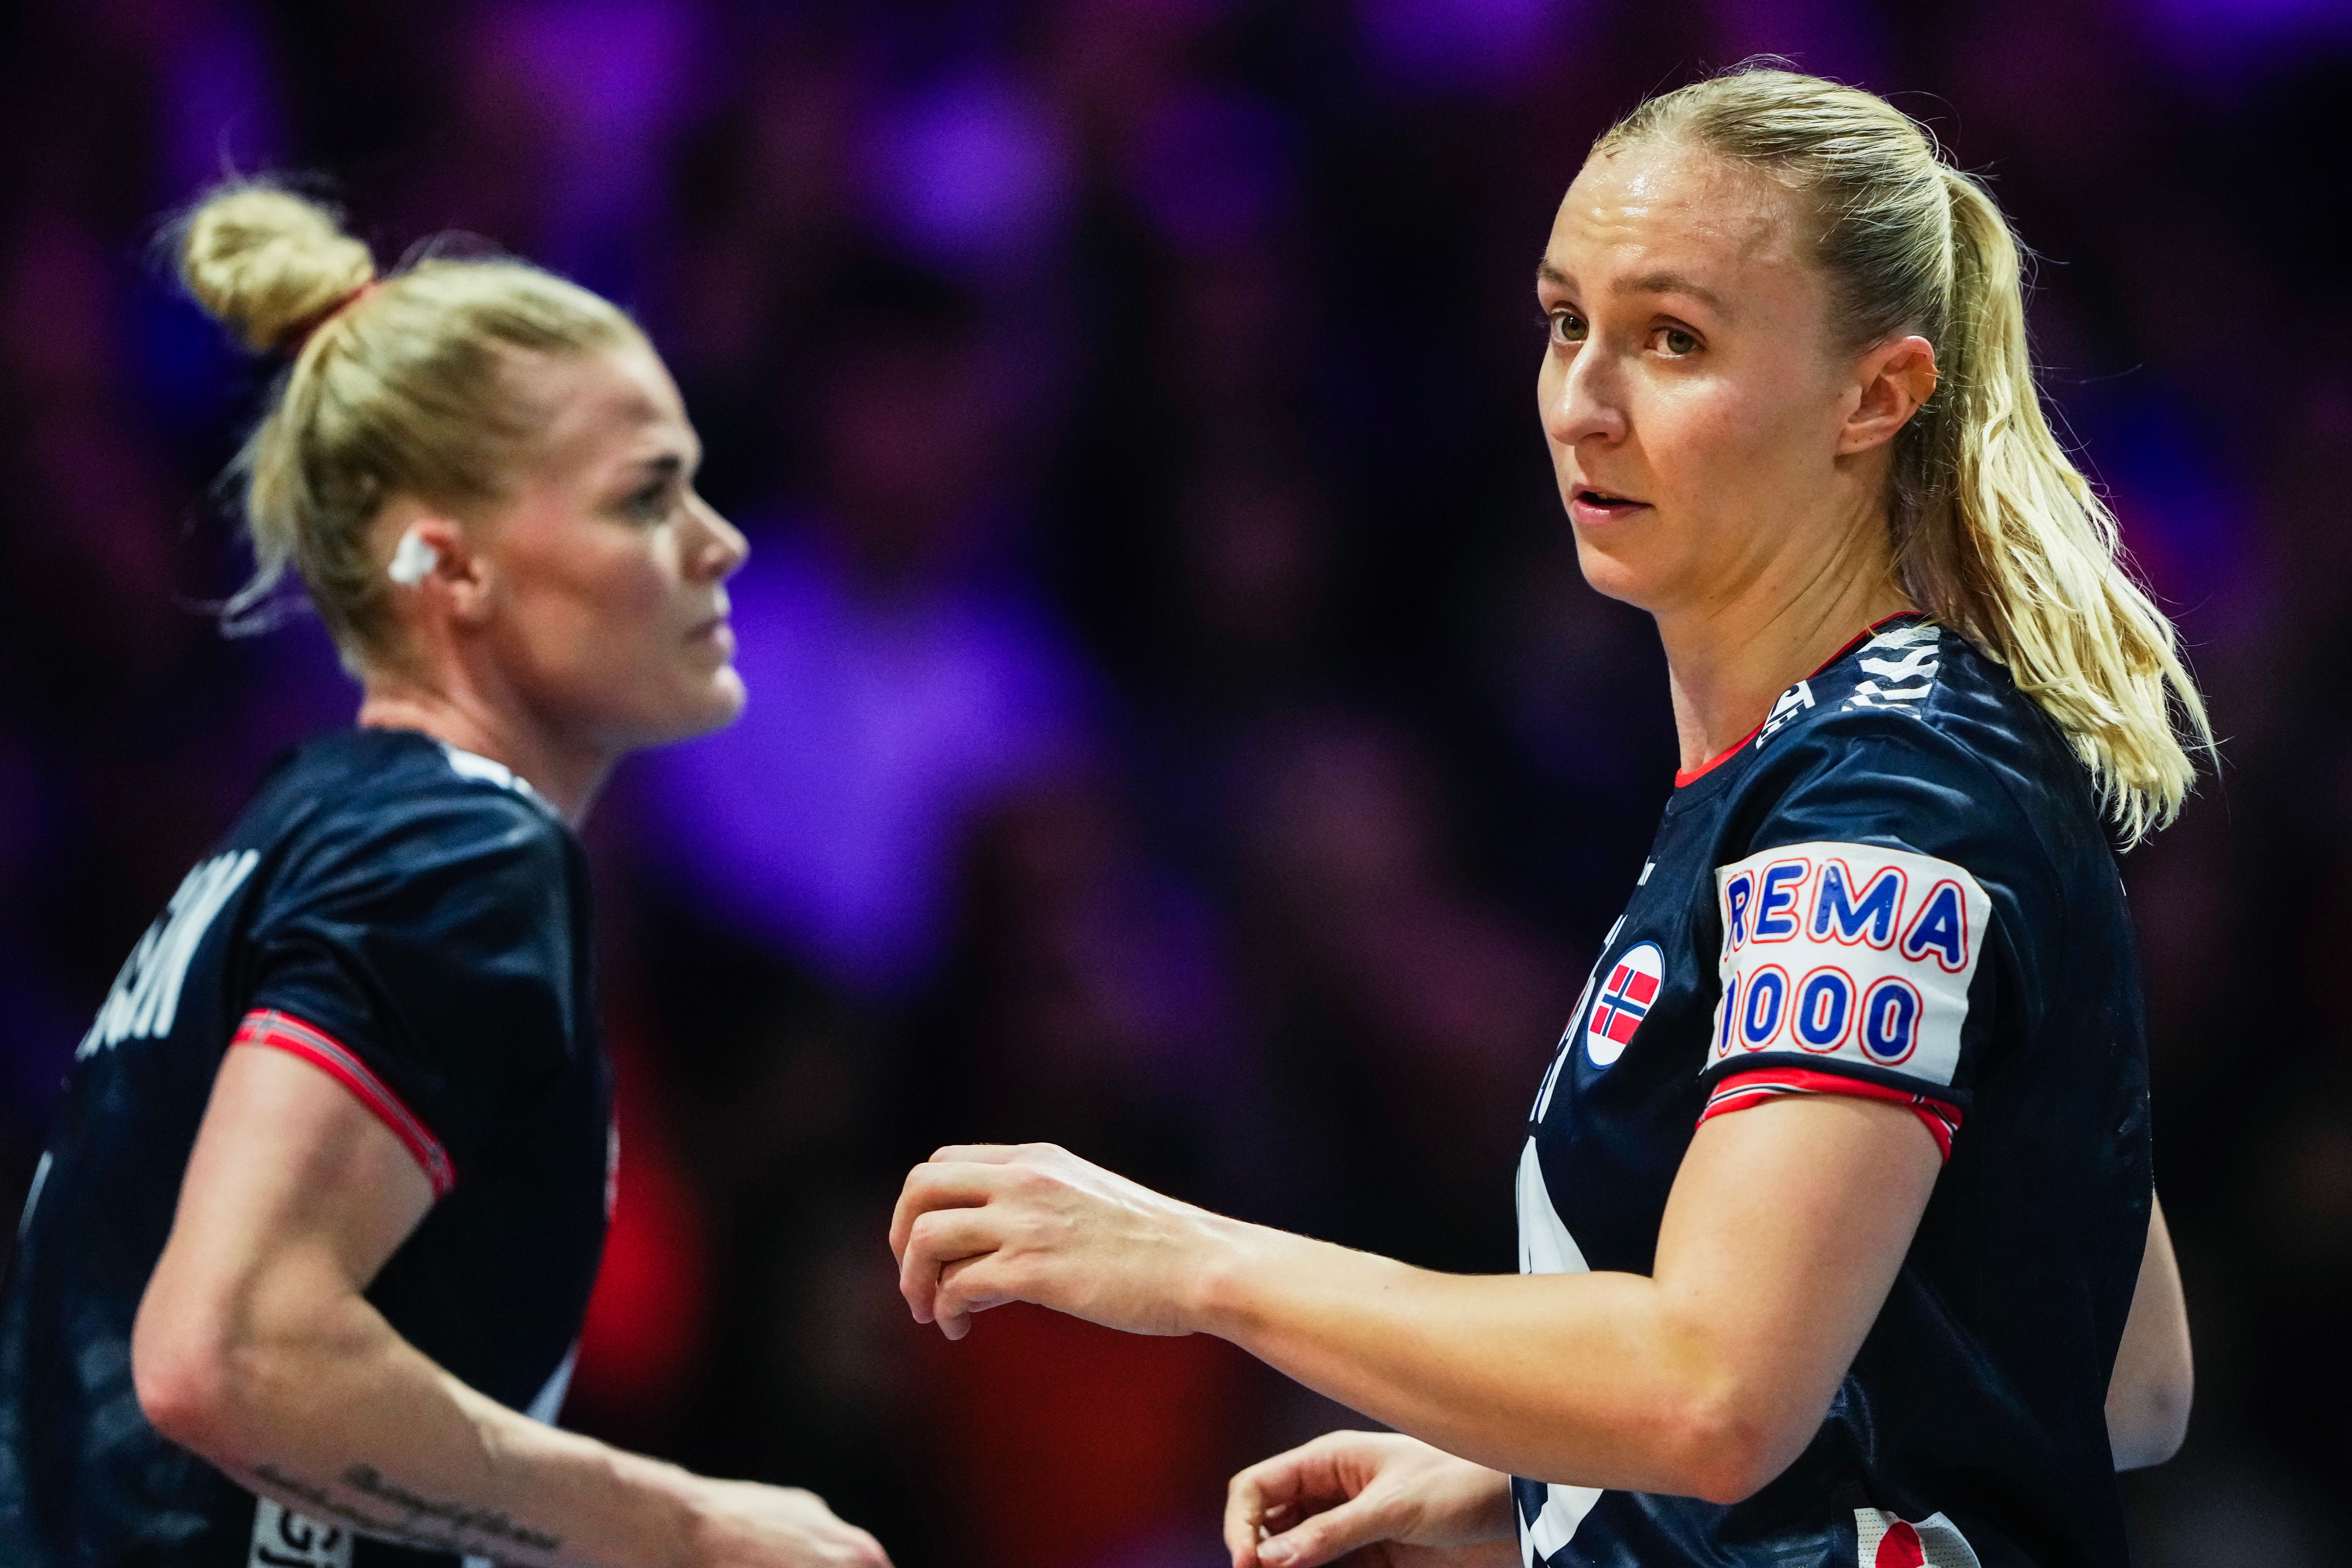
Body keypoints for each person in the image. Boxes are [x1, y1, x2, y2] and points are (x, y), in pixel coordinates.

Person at [890, 66, 2198, 1568]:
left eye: (1674, 340)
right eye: (1567, 323)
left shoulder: (1883, 805)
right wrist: (1553, 1488)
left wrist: (1195, 1263)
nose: (1582, 404)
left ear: (1875, 395)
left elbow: (1711, 1391)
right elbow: (2115, 1373)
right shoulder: (1848, 761)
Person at [0, 184, 890, 1568]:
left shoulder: (306, 829)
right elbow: (228, 1349)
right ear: (449, 563)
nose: (717, 541)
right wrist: (688, 1526)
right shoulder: (455, 853)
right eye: (644, 495)